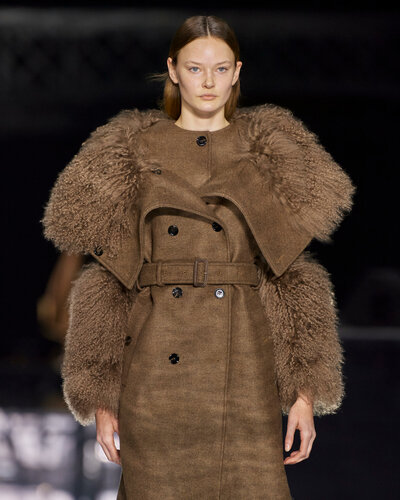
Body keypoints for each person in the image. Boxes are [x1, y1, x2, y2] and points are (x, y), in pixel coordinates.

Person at [41, 14, 355, 500]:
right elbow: (108, 286)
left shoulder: (269, 154)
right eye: (194, 68)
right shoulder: (130, 153)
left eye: (220, 69)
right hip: (155, 376)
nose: (208, 82)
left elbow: (293, 281)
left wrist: (304, 393)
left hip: (244, 373)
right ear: (173, 70)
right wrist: (101, 397)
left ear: (236, 72)